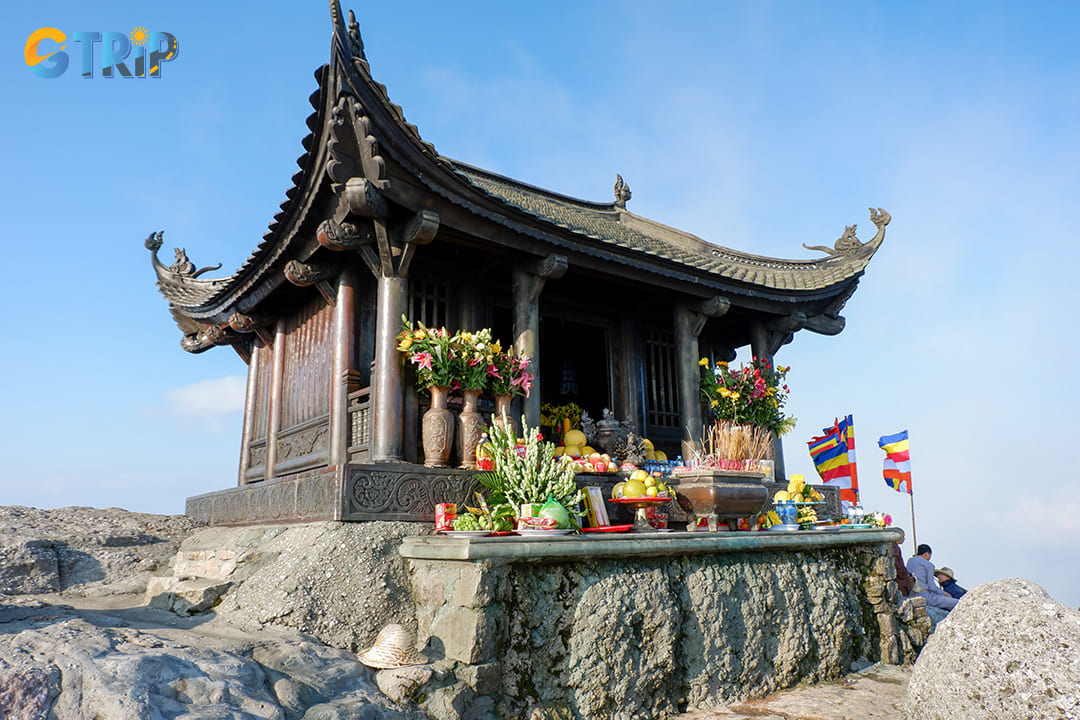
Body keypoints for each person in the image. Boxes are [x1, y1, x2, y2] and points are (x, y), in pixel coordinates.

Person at [906, 543, 957, 626]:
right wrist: (945, 594)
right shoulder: (928, 565)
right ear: (927, 554)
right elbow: (932, 587)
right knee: (956, 603)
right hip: (925, 596)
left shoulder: (910, 561)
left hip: (910, 595)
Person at [892, 528, 916, 597]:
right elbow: (898, 565)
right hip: (899, 580)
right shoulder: (895, 548)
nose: (904, 539)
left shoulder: (895, 547)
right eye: (902, 537)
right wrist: (905, 576)